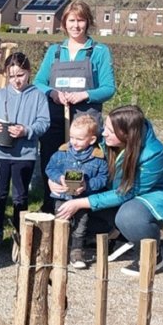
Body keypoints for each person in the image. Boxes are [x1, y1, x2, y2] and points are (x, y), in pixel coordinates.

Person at [55, 105, 163, 276]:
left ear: (126, 133)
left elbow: (128, 192)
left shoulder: (154, 153)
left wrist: (81, 202)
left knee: (128, 216)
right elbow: (70, 155)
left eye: (110, 130)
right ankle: (116, 235)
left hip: (158, 195)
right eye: (105, 128)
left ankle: (152, 255)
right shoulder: (105, 140)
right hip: (121, 195)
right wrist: (56, 180)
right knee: (76, 210)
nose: (103, 133)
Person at [33, 0, 116, 213]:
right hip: (56, 116)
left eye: (80, 20)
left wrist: (84, 95)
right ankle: (52, 205)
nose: (76, 26)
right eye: (71, 20)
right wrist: (53, 93)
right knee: (53, 161)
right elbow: (38, 82)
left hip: (85, 119)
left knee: (88, 166)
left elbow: (108, 88)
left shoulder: (99, 51)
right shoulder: (55, 51)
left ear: (87, 22)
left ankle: (85, 213)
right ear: (64, 23)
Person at [0, 52, 49, 250]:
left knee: (20, 195)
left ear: (28, 72)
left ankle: (20, 231)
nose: (16, 80)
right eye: (11, 76)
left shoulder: (38, 96)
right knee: (0, 193)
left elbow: (44, 123)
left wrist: (26, 130)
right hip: (0, 153)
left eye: (20, 75)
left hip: (25, 153)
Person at [45, 113, 109, 269]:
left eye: (79, 139)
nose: (74, 142)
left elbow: (103, 178)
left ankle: (76, 251)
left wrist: (87, 185)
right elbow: (49, 168)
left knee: (80, 226)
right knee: (61, 221)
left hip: (83, 199)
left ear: (92, 140)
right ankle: (58, 250)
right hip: (61, 196)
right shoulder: (61, 153)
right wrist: (57, 178)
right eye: (72, 137)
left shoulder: (99, 159)